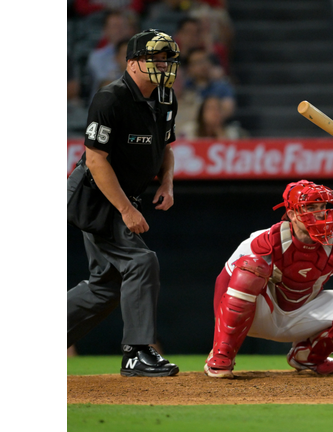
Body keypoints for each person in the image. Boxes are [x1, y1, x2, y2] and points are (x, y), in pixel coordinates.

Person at [66, 29, 181, 377]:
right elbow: (96, 160)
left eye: (166, 59)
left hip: (123, 194)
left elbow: (166, 149)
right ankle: (137, 352)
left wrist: (167, 181)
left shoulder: (166, 97)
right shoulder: (110, 99)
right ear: (132, 63)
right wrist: (127, 209)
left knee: (105, 287)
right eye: (154, 58)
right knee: (141, 262)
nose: (163, 65)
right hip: (94, 194)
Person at [204, 180, 333, 379]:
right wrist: (222, 329)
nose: (321, 213)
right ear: (293, 214)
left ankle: (308, 356)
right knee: (251, 268)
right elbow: (223, 282)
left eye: (323, 207)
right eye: (311, 208)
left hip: (302, 318)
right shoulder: (265, 240)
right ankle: (222, 354)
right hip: (256, 317)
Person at [85, 10, 137, 101]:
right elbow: (106, 85)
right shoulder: (97, 57)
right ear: (105, 30)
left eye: (123, 26)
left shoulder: (139, 54)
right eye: (115, 26)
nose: (119, 30)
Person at [181, 47, 236, 120]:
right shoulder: (184, 87)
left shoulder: (221, 86)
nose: (203, 65)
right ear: (189, 68)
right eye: (198, 62)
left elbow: (228, 110)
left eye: (205, 60)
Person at [178, 95, 247, 139]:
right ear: (202, 112)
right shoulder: (188, 131)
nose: (215, 112)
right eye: (211, 108)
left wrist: (220, 134)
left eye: (218, 109)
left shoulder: (231, 134)